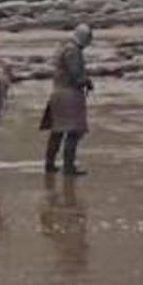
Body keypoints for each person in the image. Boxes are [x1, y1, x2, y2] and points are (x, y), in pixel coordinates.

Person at [41, 25, 94, 175]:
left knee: (57, 132)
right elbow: (76, 75)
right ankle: (69, 167)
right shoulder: (73, 51)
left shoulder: (64, 47)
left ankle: (49, 165)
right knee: (73, 132)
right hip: (69, 95)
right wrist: (87, 82)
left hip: (57, 93)